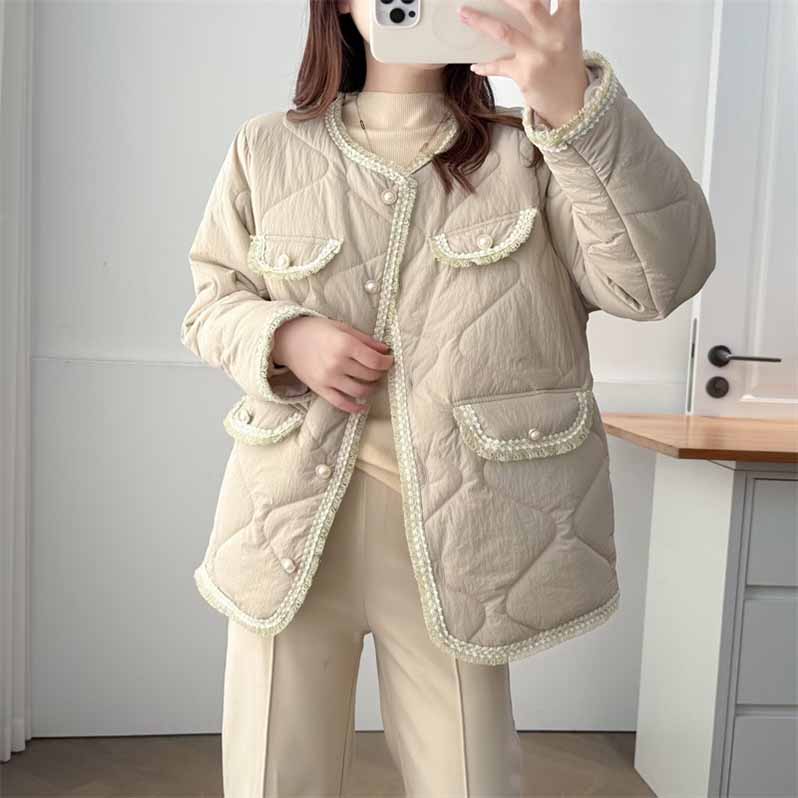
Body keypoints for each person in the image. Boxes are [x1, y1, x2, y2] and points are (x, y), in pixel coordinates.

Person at [180, 0, 716, 794]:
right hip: (286, 524)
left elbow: (656, 279)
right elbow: (211, 305)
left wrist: (572, 104)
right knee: (273, 777)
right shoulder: (268, 147)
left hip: (464, 537)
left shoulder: (531, 155)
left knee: (469, 779)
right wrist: (285, 336)